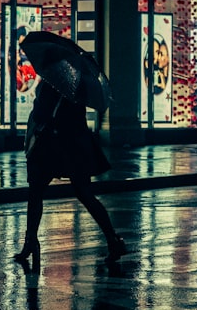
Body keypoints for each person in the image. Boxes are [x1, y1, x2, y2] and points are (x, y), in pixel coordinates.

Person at [15, 80, 128, 266]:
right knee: (84, 193)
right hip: (75, 148)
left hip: (53, 147)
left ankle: (31, 242)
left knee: (36, 192)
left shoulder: (53, 84)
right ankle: (113, 239)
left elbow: (41, 114)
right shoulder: (77, 86)